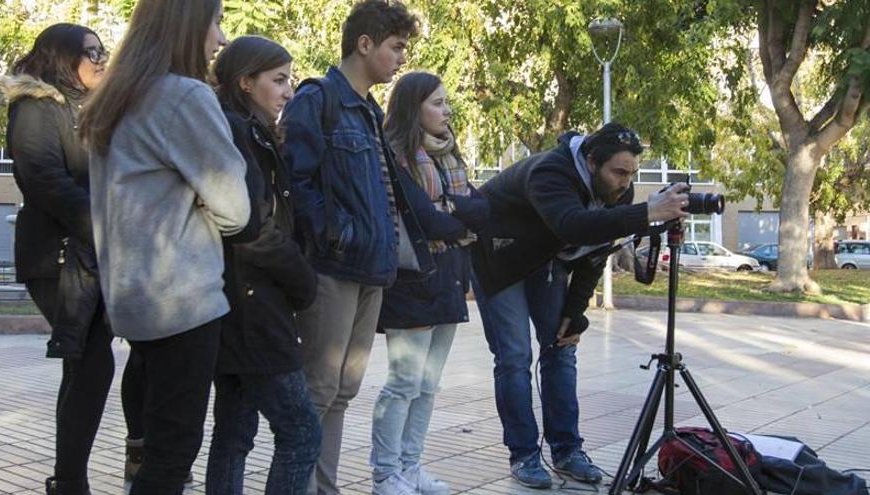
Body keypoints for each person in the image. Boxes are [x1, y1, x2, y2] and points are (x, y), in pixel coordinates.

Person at [78, 0, 252, 493]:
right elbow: (236, 210)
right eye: (215, 22)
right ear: (188, 24)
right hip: (184, 300)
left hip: (133, 300)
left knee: (155, 450)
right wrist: (198, 200)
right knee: (172, 459)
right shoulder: (184, 96)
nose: (220, 39)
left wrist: (190, 197)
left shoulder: (115, 95)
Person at [470, 123, 690, 489]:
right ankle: (524, 454)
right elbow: (573, 226)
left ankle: (567, 451)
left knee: (561, 346)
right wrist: (646, 212)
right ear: (591, 162)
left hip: (545, 260)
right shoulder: (550, 171)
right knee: (514, 356)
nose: (624, 182)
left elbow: (595, 251)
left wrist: (575, 312)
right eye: (618, 172)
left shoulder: (619, 189)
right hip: (498, 258)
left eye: (631, 173)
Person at [282, 2, 428, 493]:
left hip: (373, 269)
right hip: (333, 266)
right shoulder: (317, 99)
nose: (401, 58)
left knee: (342, 391)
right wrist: (335, 233)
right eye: (396, 47)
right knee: (318, 388)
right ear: (364, 44)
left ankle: (324, 487)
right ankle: (298, 486)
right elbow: (295, 182)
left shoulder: (367, 109)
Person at [0, 23, 143, 495]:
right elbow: (43, 179)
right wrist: (104, 225)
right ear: (61, 58)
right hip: (58, 257)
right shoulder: (38, 106)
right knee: (93, 362)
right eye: (90, 53)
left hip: (91, 254)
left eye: (103, 51)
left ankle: (70, 478)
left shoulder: (89, 109)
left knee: (89, 363)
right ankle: (69, 480)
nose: (102, 60)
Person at [205, 35, 322, 495]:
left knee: (234, 433)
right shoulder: (238, 132)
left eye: (289, 79)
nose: (289, 91)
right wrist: (302, 280)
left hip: (240, 303)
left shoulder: (247, 130)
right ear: (246, 82)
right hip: (253, 306)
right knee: (301, 431)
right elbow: (251, 226)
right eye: (279, 80)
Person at [369, 71, 489, 495]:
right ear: (412, 107)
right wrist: (456, 216)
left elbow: (484, 209)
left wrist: (451, 211)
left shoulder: (448, 157)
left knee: (428, 384)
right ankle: (386, 474)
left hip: (449, 276)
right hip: (412, 280)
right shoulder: (395, 156)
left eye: (446, 101)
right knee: (403, 382)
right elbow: (426, 217)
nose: (447, 110)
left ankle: (410, 466)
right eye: (437, 103)